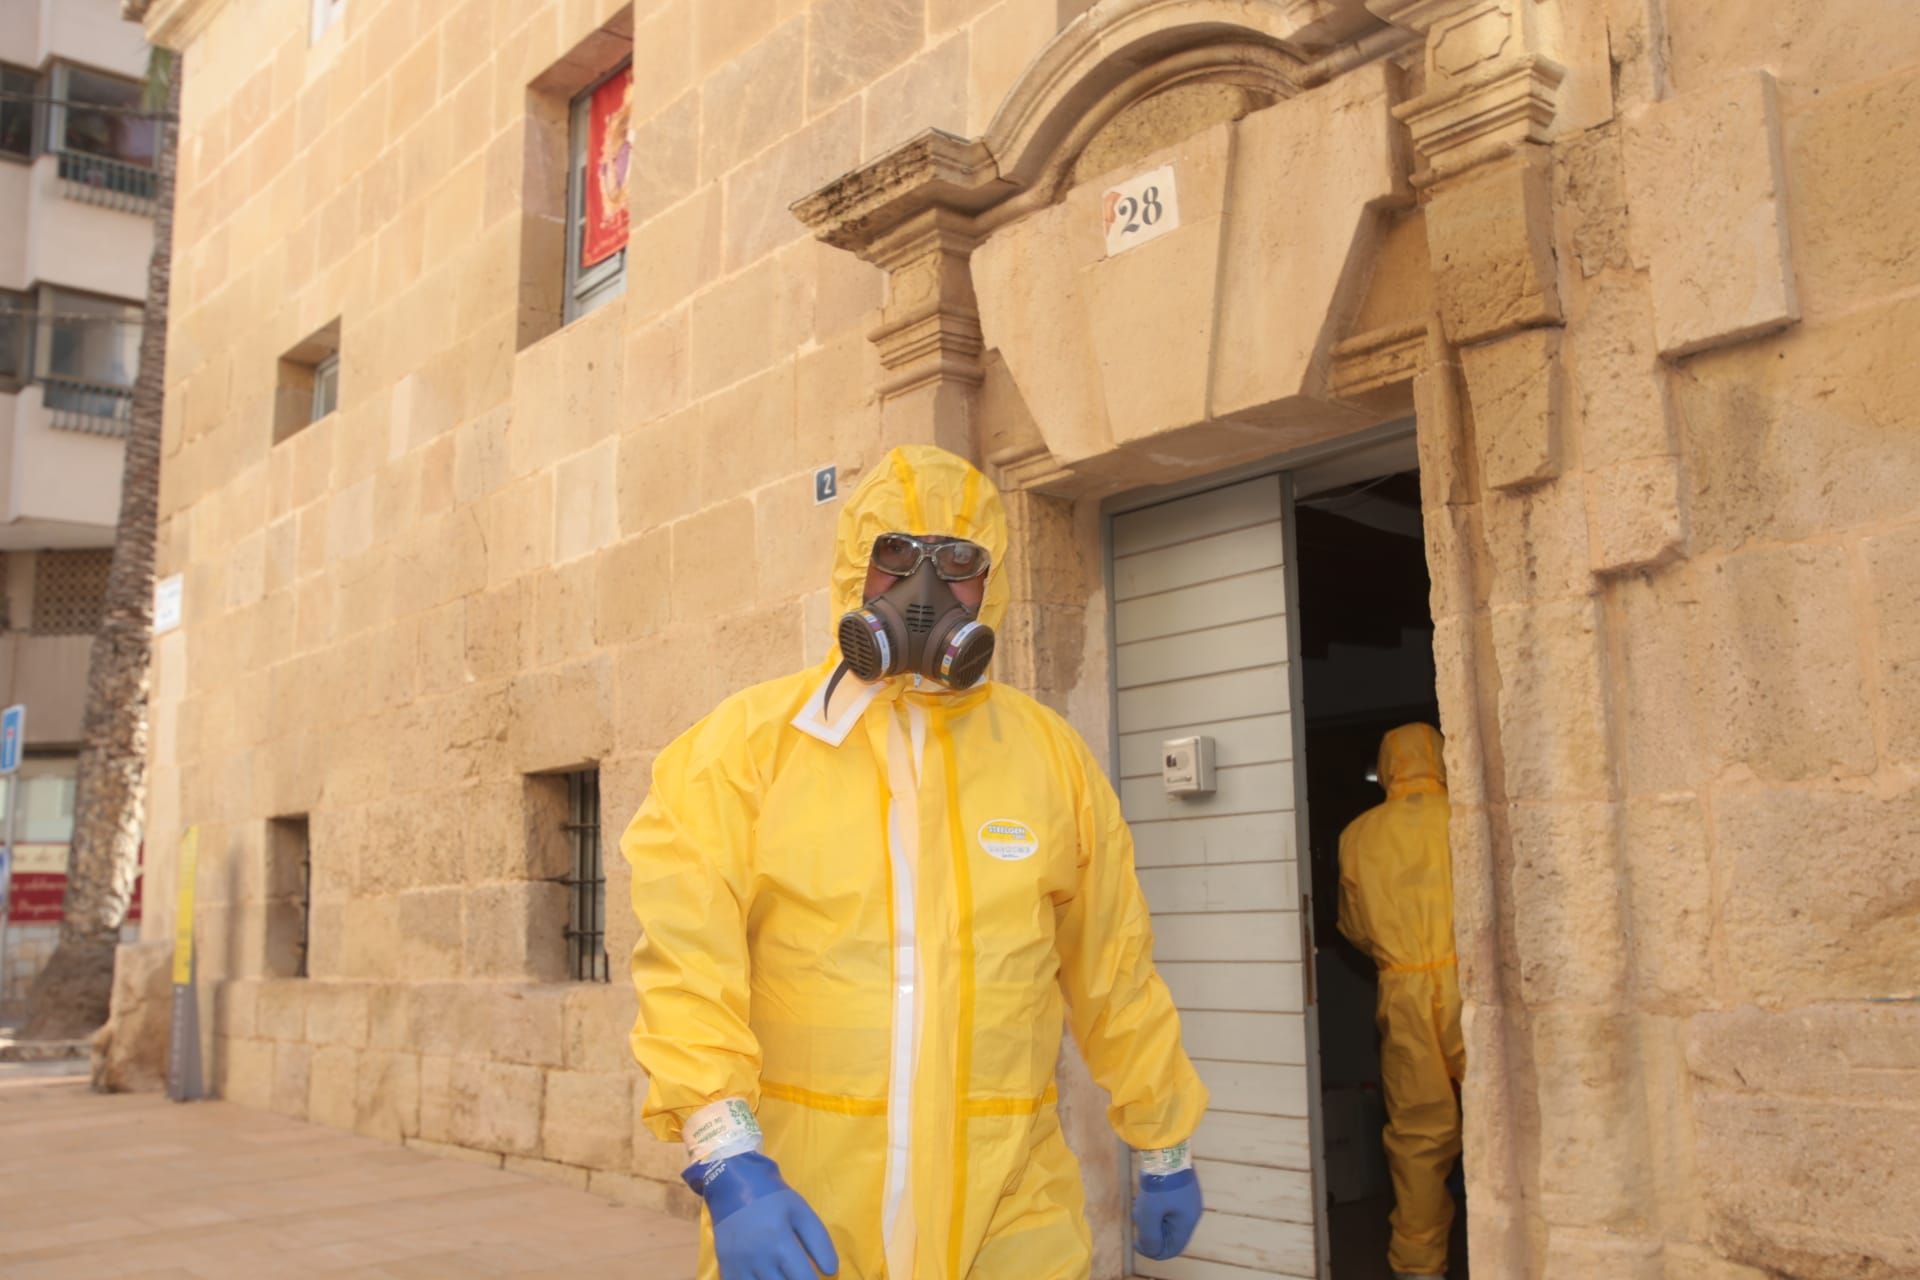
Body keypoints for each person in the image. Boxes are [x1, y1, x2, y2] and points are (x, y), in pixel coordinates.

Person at [621, 445, 1209, 1280]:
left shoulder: (1049, 759)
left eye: (958, 561)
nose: (923, 589)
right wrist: (726, 1160)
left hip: (1010, 1207)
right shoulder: (744, 750)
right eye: (895, 554)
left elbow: (1113, 965)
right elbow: (686, 965)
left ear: (990, 584)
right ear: (852, 569)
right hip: (809, 1200)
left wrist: (1163, 1140)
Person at [1336, 723, 1467, 1280]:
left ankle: (1419, 1267)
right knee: (1515, 1118)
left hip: (1403, 991)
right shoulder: (1466, 817)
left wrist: (1398, 955)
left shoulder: (1358, 835)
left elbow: (1354, 927)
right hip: (1474, 984)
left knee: (1418, 1138)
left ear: (1388, 766)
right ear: (1440, 758)